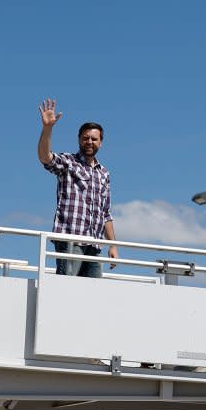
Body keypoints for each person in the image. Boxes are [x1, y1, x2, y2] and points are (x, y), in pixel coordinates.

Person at [37, 98, 119, 277]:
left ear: (101, 142)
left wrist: (113, 245)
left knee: (91, 295)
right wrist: (47, 128)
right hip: (70, 240)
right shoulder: (68, 162)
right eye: (85, 138)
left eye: (94, 139)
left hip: (95, 245)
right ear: (79, 140)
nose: (89, 142)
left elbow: (106, 213)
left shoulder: (104, 173)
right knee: (66, 290)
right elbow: (45, 158)